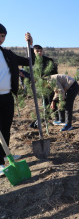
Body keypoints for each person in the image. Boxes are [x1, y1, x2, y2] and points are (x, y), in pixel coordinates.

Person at [0, 24, 34, 176]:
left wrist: (30, 45)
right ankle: (0, 164)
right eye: (1, 35)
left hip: (7, 96)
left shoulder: (8, 54)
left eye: (3, 36)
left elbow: (29, 61)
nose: (2, 38)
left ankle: (5, 155)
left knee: (6, 127)